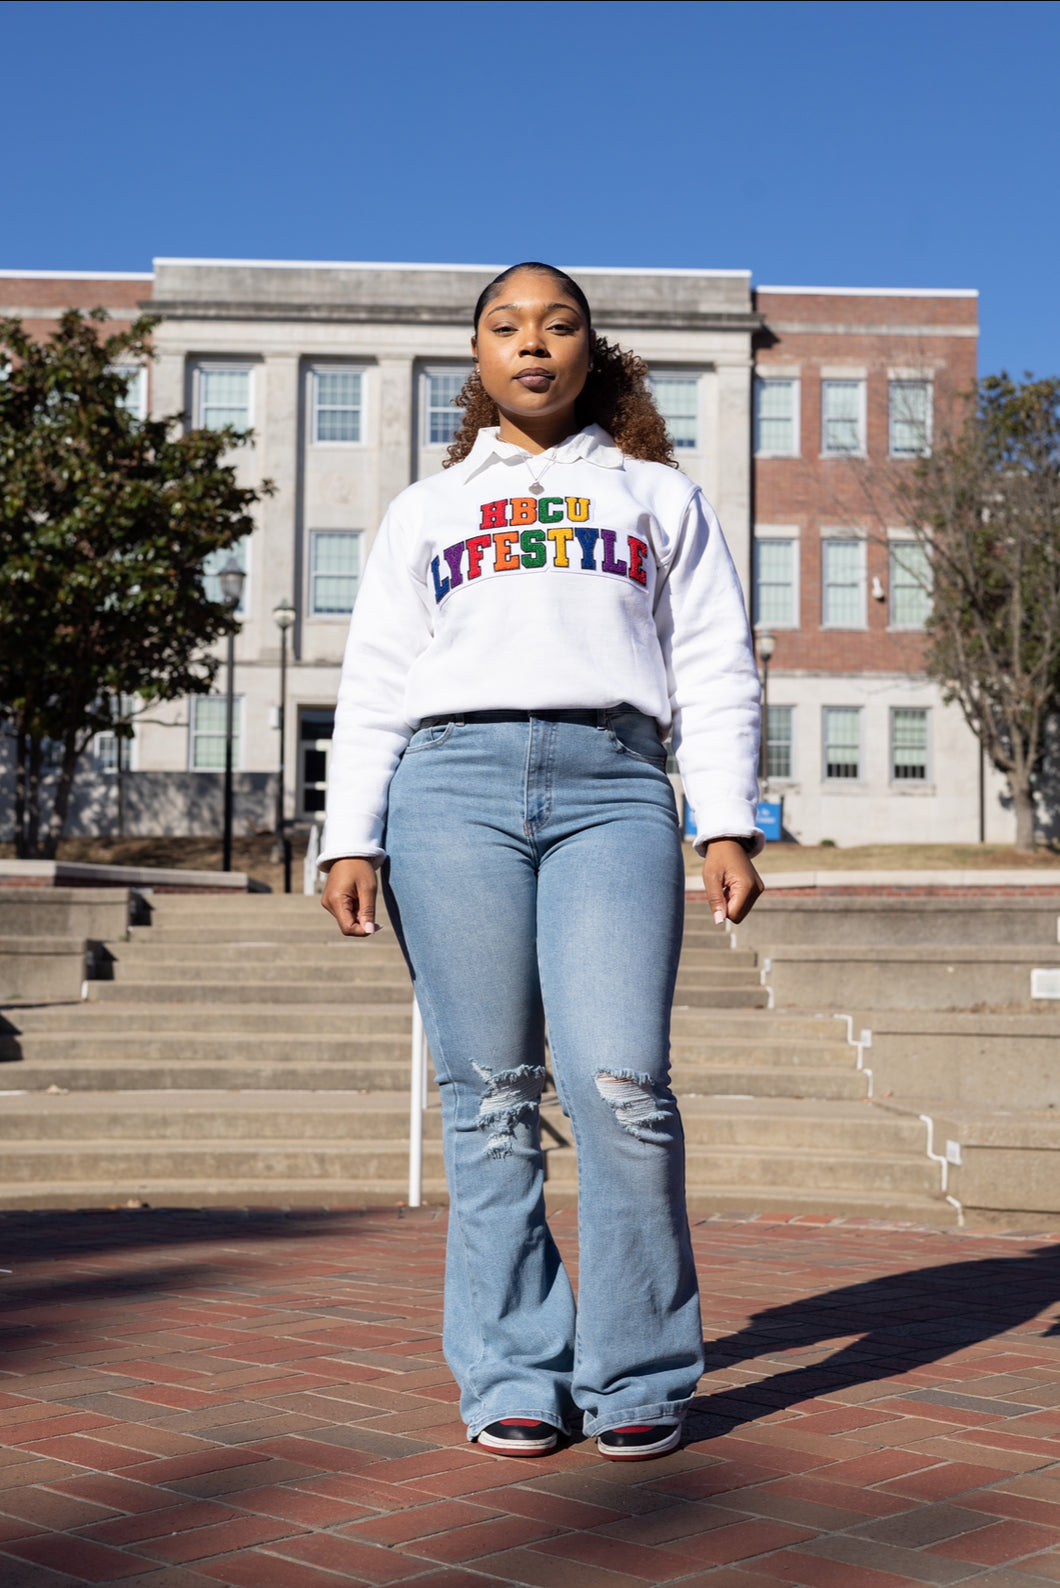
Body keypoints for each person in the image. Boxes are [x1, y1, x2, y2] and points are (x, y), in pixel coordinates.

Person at [320, 261, 763, 1462]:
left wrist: (723, 817)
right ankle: (514, 1366)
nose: (533, 344)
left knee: (621, 1086)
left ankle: (637, 1367)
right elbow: (374, 683)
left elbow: (716, 662)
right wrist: (348, 831)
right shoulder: (427, 509)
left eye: (557, 325)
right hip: (447, 792)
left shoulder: (656, 496)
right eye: (506, 327)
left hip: (614, 787)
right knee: (493, 1097)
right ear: (477, 358)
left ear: (589, 352)